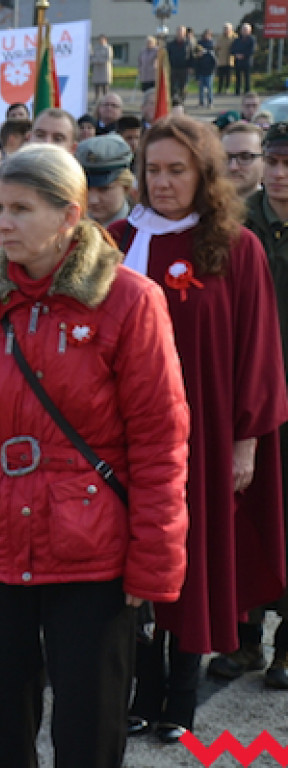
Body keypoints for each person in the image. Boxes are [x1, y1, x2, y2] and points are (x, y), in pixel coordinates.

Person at [0, 140, 190, 768]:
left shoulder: (130, 300)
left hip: (92, 549)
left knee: (89, 729)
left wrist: (154, 563)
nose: (2, 222)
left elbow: (160, 443)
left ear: (70, 215)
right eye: (0, 207)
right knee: (1, 728)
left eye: (21, 209)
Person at [110, 116, 288, 743]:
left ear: (203, 174)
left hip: (204, 435)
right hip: (121, 437)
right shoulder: (113, 239)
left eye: (176, 170)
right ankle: (139, 689)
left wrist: (246, 440)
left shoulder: (236, 247)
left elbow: (257, 351)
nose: (162, 182)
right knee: (128, 560)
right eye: (152, 170)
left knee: (189, 560)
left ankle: (179, 698)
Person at [212, 121, 288, 690]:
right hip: (252, 396)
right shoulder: (238, 227)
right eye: (275, 162)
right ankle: (243, 637)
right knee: (248, 517)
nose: (281, 175)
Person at [76, 134, 135, 226]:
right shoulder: (70, 228)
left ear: (126, 187)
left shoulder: (142, 231)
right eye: (86, 188)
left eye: (104, 189)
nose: (93, 200)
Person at [222, 122, 264, 199]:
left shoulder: (280, 209)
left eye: (245, 157)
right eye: (226, 157)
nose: (233, 167)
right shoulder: (203, 207)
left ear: (264, 161)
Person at [167, 27, 192, 103]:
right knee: (172, 86)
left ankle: (181, 101)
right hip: (173, 67)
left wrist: (191, 66)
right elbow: (168, 55)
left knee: (183, 86)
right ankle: (173, 100)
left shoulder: (188, 43)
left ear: (184, 33)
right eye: (178, 32)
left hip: (184, 68)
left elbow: (191, 56)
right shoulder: (171, 44)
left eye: (181, 32)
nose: (179, 33)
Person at [232, 24, 256, 95]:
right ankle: (237, 91)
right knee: (238, 77)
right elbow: (232, 49)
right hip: (238, 61)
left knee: (247, 77)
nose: (244, 31)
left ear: (249, 31)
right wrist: (236, 54)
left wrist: (243, 55)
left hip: (247, 61)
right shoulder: (237, 40)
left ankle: (247, 91)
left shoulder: (252, 39)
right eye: (243, 30)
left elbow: (252, 50)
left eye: (246, 30)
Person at [193, 43, 216, 109]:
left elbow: (214, 63)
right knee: (201, 89)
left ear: (201, 51)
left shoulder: (209, 54)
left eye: (198, 53)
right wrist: (197, 78)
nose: (198, 55)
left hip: (209, 74)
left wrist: (212, 71)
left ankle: (210, 103)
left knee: (209, 89)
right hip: (201, 74)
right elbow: (197, 68)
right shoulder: (197, 58)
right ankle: (201, 103)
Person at [91, 35, 113, 101]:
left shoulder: (108, 48)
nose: (101, 41)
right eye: (99, 40)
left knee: (105, 86)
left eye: (102, 39)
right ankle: (96, 99)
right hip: (97, 70)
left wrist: (99, 61)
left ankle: (106, 99)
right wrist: (95, 61)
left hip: (104, 69)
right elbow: (91, 57)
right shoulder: (96, 48)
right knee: (97, 85)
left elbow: (108, 58)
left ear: (105, 40)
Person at [216, 23, 236, 95]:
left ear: (231, 29)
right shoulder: (220, 37)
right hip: (221, 60)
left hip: (230, 60)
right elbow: (217, 48)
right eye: (225, 29)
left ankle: (227, 88)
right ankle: (219, 89)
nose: (226, 30)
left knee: (228, 76)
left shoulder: (234, 37)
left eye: (227, 29)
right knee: (221, 76)